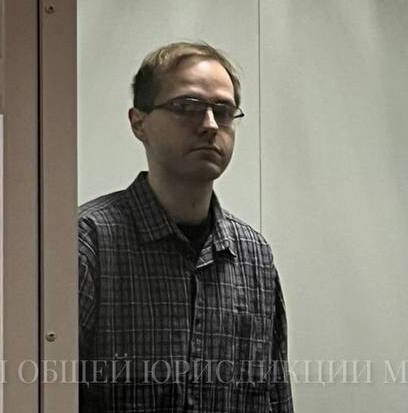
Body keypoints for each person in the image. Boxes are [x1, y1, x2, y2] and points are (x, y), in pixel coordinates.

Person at [78, 41, 294, 412]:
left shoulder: (254, 256)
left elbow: (275, 397)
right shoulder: (89, 241)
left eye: (223, 111)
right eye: (187, 107)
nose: (209, 125)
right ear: (139, 122)